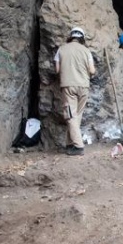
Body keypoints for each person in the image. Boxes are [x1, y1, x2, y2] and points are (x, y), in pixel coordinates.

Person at [54, 27, 96, 155]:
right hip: (84, 86)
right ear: (82, 38)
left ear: (70, 36)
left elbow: (57, 70)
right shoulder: (86, 51)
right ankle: (70, 144)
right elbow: (92, 71)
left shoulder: (61, 49)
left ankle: (78, 146)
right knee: (76, 116)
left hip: (69, 86)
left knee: (71, 116)